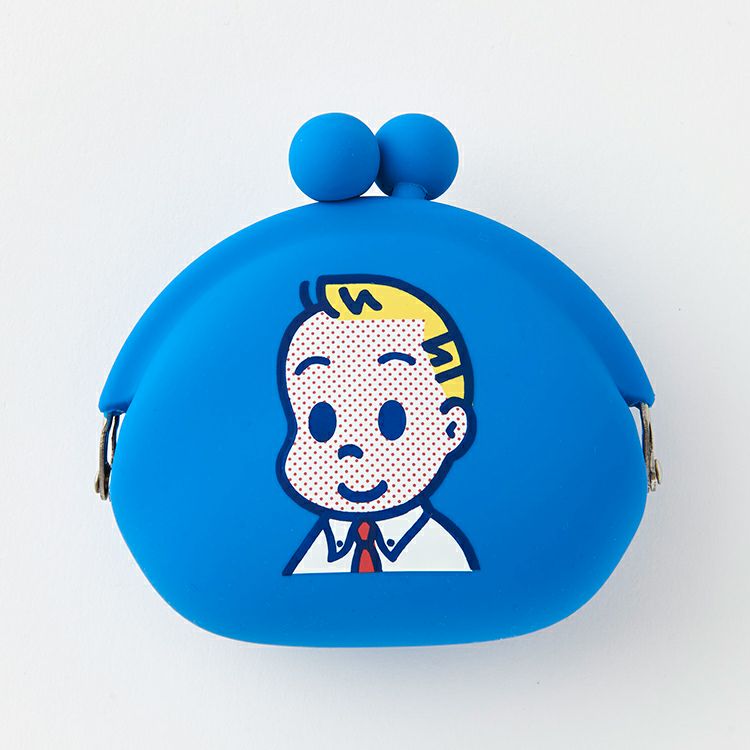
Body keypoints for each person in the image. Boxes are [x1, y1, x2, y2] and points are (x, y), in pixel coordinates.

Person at [277, 275, 478, 574]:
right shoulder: (312, 555)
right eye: (321, 424)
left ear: (451, 429)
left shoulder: (447, 554)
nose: (352, 448)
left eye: (392, 421)